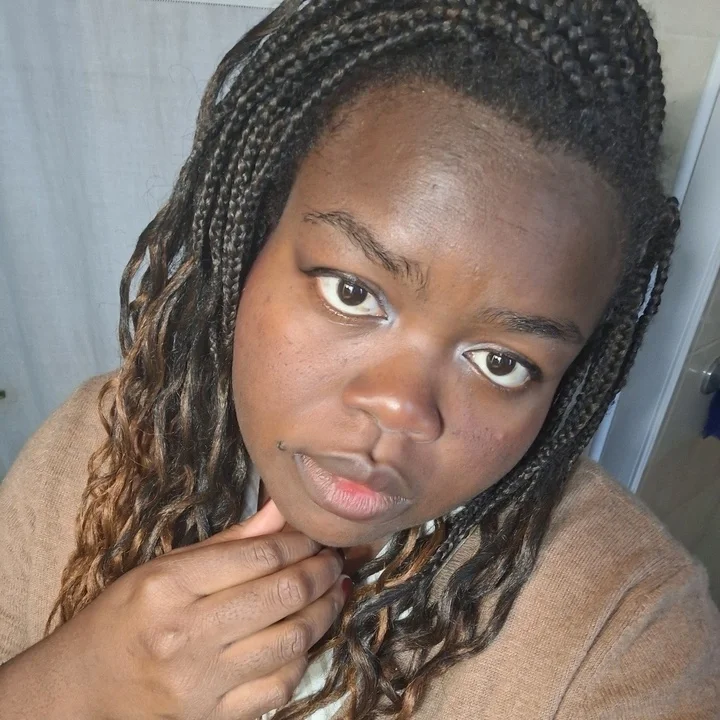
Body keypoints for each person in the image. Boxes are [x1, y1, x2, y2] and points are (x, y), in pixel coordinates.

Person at [1, 0, 718, 718]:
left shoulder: (625, 630)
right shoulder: (94, 442)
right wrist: (72, 685)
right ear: (252, 236)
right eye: (352, 292)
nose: (402, 407)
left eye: (501, 362)